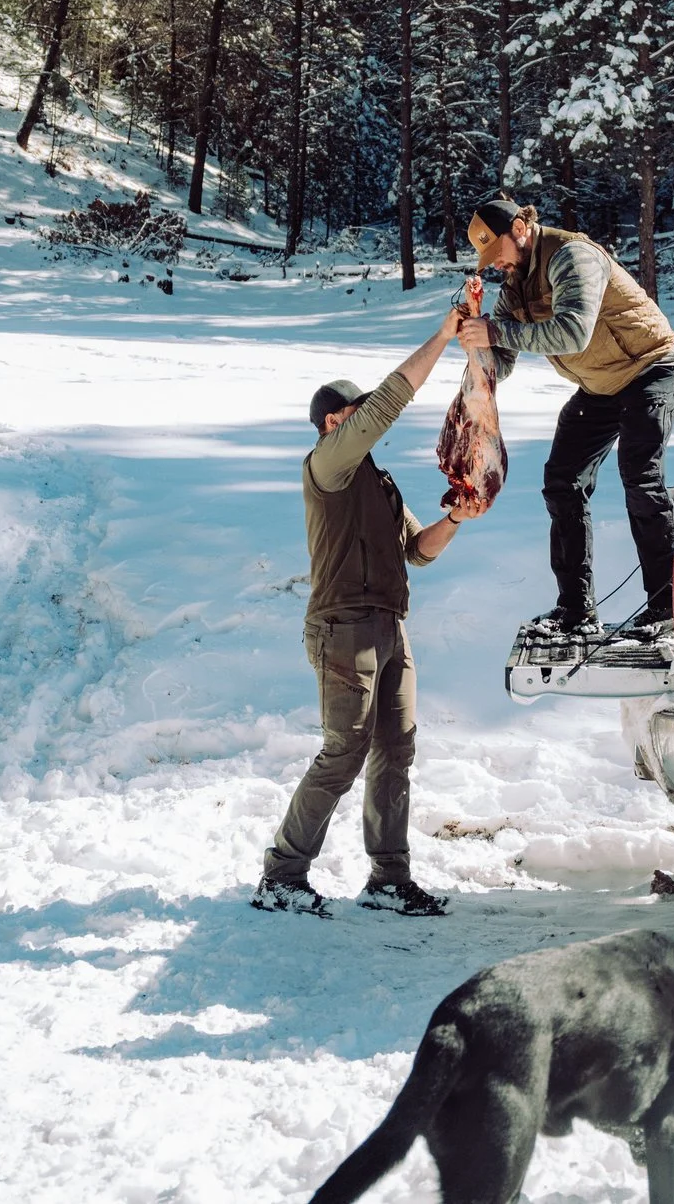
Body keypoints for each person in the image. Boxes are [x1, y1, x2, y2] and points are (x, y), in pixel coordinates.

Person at [255, 304, 483, 918]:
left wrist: (458, 517)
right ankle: (282, 874)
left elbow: (419, 551)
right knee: (344, 751)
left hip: (390, 627)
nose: (370, 426)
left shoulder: (380, 485)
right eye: (357, 416)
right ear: (334, 421)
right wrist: (442, 337)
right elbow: (388, 403)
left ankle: (388, 880)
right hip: (343, 627)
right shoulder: (325, 464)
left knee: (395, 750)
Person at [458, 194, 674, 645]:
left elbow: (573, 333)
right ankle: (575, 609)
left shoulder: (572, 256)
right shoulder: (514, 285)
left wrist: (497, 331)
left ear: (520, 230)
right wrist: (475, 338)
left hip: (650, 367)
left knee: (640, 477)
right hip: (601, 386)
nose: (496, 265)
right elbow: (501, 364)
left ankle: (667, 606)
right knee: (561, 481)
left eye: (497, 252)